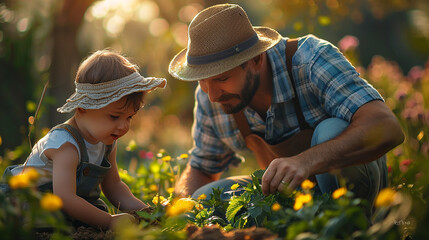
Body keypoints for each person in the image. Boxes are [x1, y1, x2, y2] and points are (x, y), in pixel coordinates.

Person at [168, 3, 404, 214]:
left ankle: (354, 227)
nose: (212, 95)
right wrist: (174, 214)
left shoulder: (311, 61)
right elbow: (202, 168)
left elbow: (386, 127)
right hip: (290, 204)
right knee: (205, 197)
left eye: (222, 78)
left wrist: (305, 161)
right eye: (202, 80)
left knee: (332, 130)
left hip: (351, 199)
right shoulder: (215, 96)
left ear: (256, 60)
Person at [1, 50, 166, 229]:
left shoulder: (107, 142)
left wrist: (148, 213)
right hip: (31, 205)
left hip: (70, 206)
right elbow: (64, 197)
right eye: (114, 117)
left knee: (95, 211)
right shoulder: (66, 146)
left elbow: (114, 186)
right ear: (83, 108)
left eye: (129, 118)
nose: (123, 126)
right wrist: (109, 221)